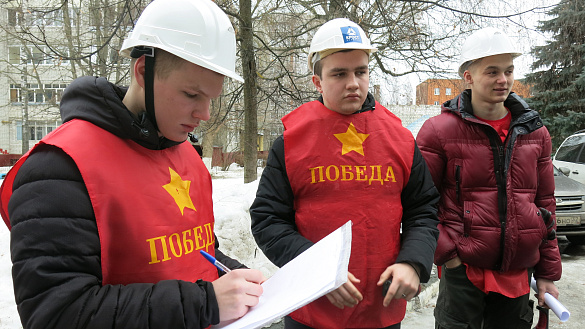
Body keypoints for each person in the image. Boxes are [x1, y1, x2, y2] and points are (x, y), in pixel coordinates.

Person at [0, 0, 265, 328]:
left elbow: (195, 254)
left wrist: (236, 277)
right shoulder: (57, 169)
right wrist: (205, 303)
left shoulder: (187, 157)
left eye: (211, 98)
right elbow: (55, 314)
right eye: (191, 95)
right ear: (143, 71)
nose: (206, 114)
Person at [250, 18, 440, 329]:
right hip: (311, 312)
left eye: (360, 71)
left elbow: (424, 210)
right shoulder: (289, 143)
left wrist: (413, 262)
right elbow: (268, 220)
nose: (353, 82)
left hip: (382, 311)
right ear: (317, 81)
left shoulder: (401, 139)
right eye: (339, 73)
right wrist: (320, 270)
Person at [415, 27, 562, 329]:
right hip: (463, 273)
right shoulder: (438, 131)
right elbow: (420, 202)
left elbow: (545, 205)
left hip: (517, 275)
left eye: (508, 71)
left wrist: (547, 273)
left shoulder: (535, 133)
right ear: (468, 76)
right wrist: (448, 255)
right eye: (492, 71)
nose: (503, 80)